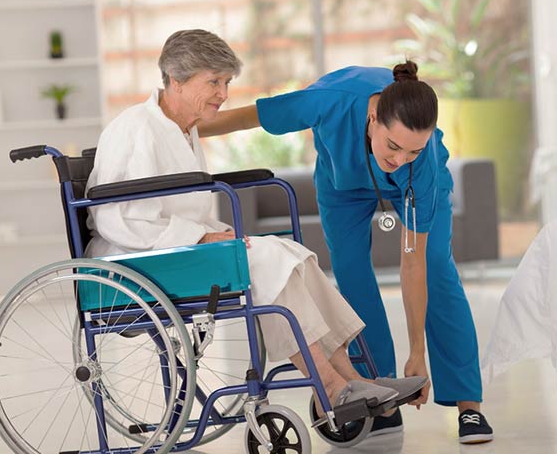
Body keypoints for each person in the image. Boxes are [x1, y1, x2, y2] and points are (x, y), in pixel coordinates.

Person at [84, 29, 426, 414]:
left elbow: (180, 207)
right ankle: (330, 386)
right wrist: (200, 237)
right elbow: (117, 218)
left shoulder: (183, 130)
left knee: (293, 254)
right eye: (213, 81)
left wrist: (211, 233)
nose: (224, 93)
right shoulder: (134, 128)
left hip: (176, 252)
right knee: (266, 261)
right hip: (137, 261)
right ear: (176, 80)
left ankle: (356, 379)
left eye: (226, 82)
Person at [199, 61, 494, 443]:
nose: (399, 158)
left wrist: (417, 353)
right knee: (352, 276)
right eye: (393, 145)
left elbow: (412, 264)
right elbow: (249, 117)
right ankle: (377, 393)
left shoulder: (421, 166)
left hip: (412, 190)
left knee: (436, 267)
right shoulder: (330, 100)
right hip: (344, 185)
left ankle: (468, 405)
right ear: (373, 119)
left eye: (413, 150)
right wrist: (180, 129)